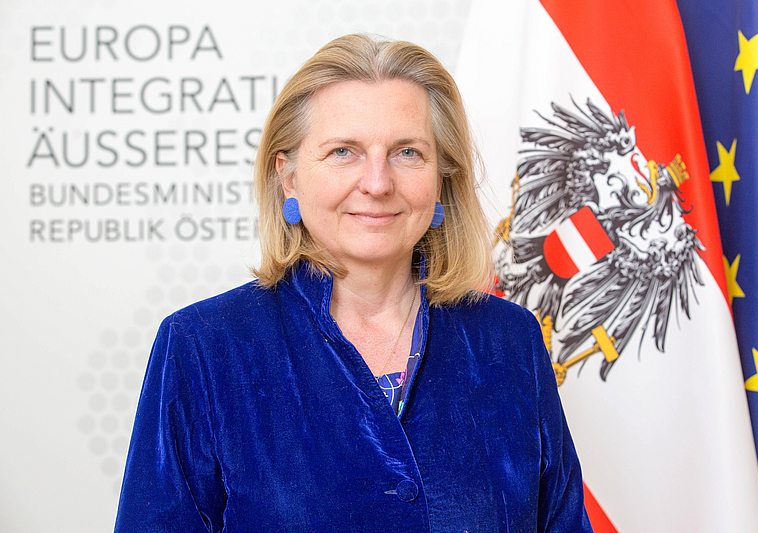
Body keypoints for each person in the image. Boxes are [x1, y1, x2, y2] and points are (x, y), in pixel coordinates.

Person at [114, 33, 593, 533]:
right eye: (344, 151)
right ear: (290, 177)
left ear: (441, 178)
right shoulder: (204, 348)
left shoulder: (509, 339)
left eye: (407, 152)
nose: (378, 182)